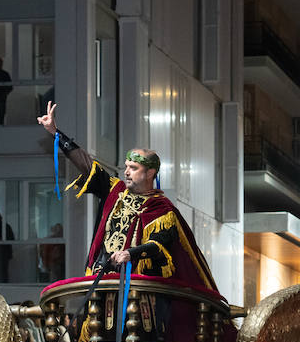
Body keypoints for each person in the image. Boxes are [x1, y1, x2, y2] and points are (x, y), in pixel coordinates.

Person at [37, 102, 217, 291]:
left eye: (134, 168)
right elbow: (87, 165)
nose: (127, 172)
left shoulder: (162, 209)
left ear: (150, 173)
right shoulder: (114, 189)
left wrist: (131, 253)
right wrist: (56, 133)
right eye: (126, 167)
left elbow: (158, 245)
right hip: (102, 279)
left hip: (138, 288)